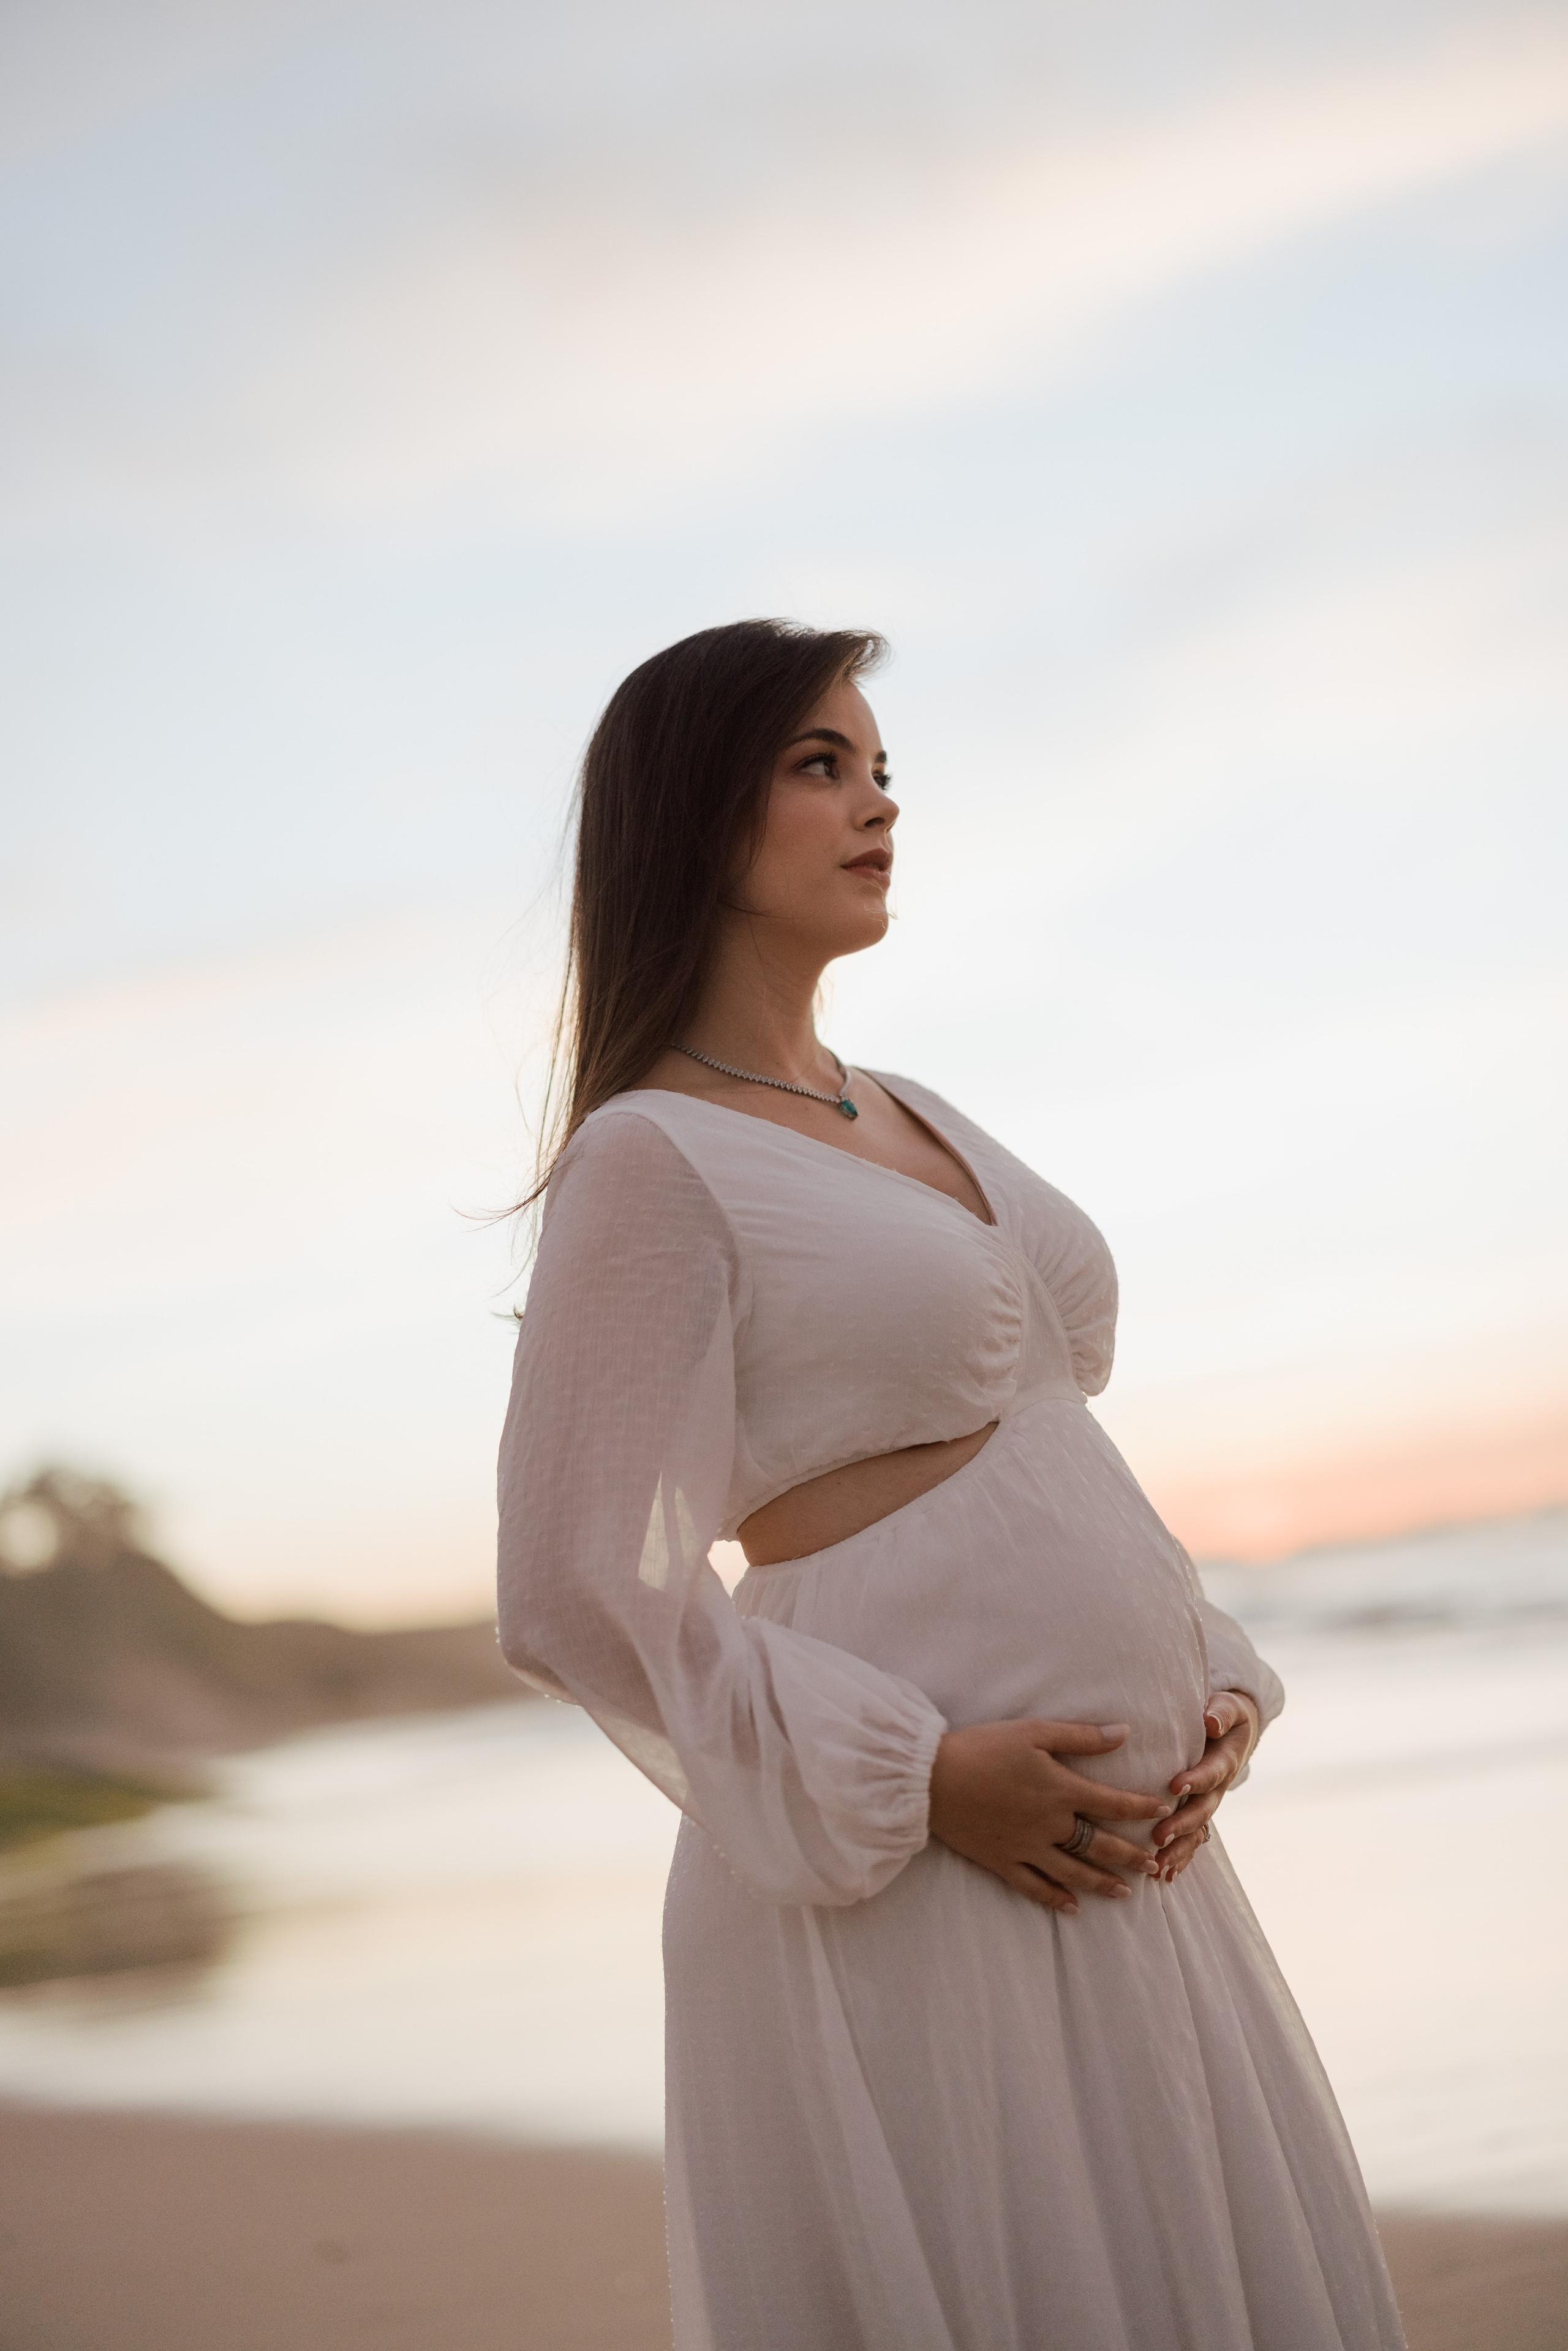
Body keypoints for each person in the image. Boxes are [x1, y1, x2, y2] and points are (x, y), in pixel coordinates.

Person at [496, 619, 1406, 2350]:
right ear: (694, 816)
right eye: (819, 766)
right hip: (931, 1880)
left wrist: (1211, 1673)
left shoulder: (908, 1106)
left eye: (884, 767)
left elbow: (1043, 1442)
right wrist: (916, 1779)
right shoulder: (648, 1156)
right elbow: (567, 1580)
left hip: (1135, 1869)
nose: (879, 804)